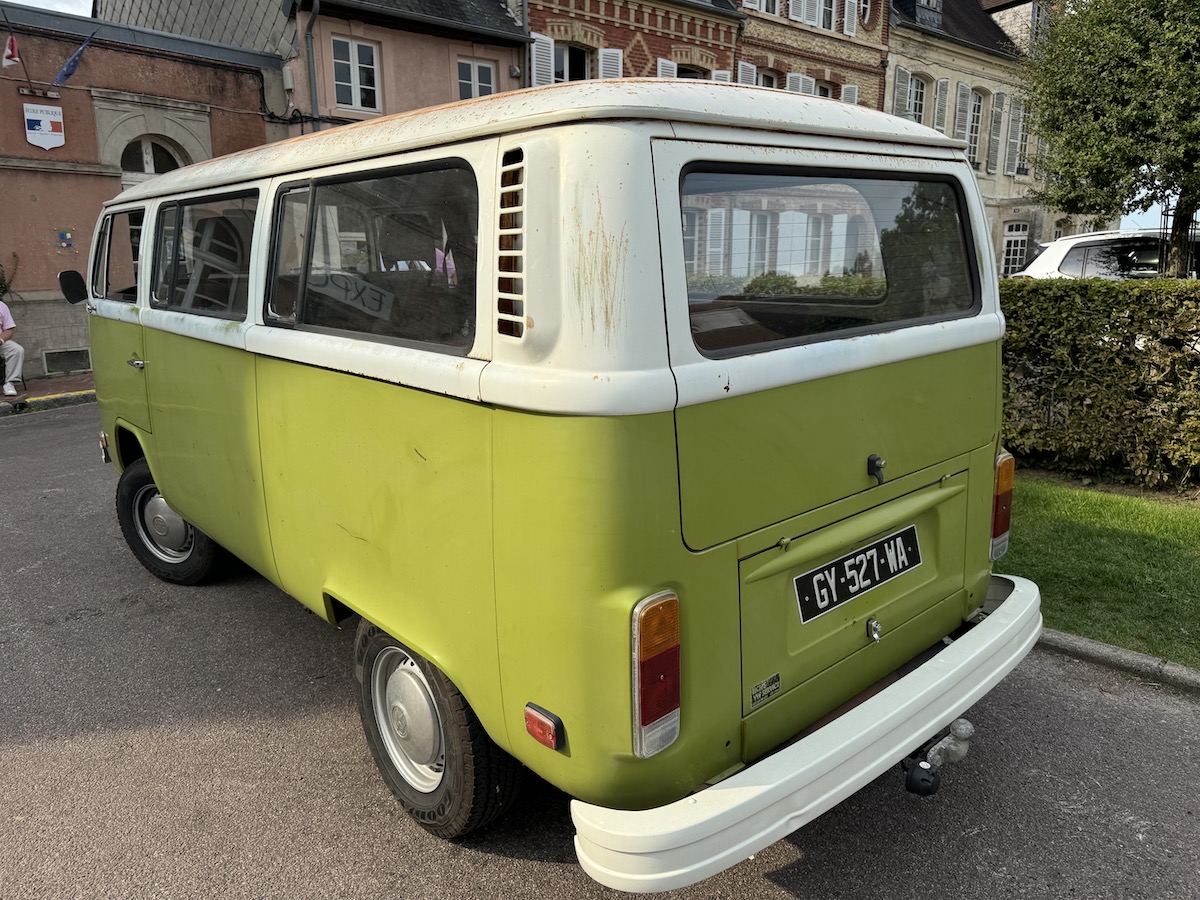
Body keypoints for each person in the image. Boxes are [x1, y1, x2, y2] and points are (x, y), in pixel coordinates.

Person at [0, 298, 25, 396]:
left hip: (0, 342)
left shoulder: (1, 306)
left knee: (17, 350)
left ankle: (9, 383)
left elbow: (9, 329)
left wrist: (1, 340)